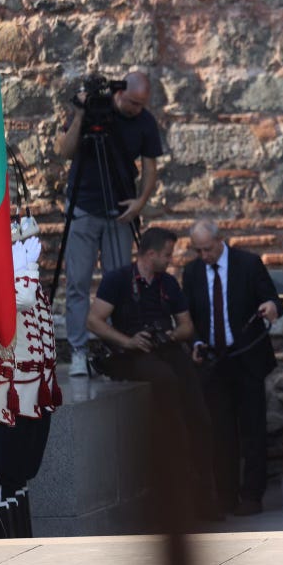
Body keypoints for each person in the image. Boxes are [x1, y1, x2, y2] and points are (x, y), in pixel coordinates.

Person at [86, 227, 214, 523]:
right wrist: (127, 341)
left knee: (199, 412)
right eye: (167, 254)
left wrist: (167, 335)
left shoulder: (167, 283)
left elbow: (186, 326)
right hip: (131, 353)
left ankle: (205, 497)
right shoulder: (118, 280)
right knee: (165, 385)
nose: (171, 260)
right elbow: (94, 321)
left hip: (165, 349)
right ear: (151, 253)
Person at [56, 71, 163, 376]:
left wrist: (140, 202)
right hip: (84, 207)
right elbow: (65, 151)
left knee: (117, 283)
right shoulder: (92, 112)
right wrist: (80, 114)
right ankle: (78, 350)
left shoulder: (144, 122)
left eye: (142, 104)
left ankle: (118, 347)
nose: (136, 109)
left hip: (120, 210)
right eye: (131, 103)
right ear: (118, 92)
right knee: (78, 282)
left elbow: (150, 166)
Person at [182, 219, 282, 517]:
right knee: (220, 432)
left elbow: (273, 300)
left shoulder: (248, 264)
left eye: (208, 249)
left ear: (220, 240)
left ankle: (252, 495)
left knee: (253, 428)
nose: (204, 256)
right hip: (213, 362)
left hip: (247, 358)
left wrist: (271, 308)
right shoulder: (192, 272)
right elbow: (188, 316)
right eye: (198, 251)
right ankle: (224, 496)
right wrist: (197, 344)